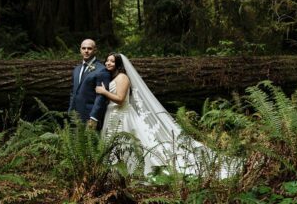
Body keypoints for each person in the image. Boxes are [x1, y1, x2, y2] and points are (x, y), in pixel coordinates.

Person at [96, 53, 231, 177]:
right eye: (107, 60)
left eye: (112, 61)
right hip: (112, 114)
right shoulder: (112, 77)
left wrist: (104, 92)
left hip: (122, 115)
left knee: (127, 143)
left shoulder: (122, 77)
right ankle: (115, 172)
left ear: (118, 64)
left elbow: (120, 99)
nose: (108, 63)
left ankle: (131, 171)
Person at [68, 38, 111, 128]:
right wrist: (70, 111)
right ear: (80, 50)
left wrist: (94, 116)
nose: (86, 51)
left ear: (95, 50)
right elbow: (73, 91)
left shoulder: (101, 69)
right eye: (83, 48)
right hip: (75, 114)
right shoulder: (76, 69)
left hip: (90, 115)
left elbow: (101, 96)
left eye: (89, 48)